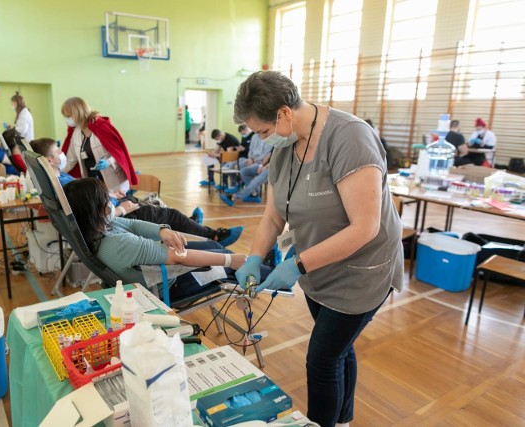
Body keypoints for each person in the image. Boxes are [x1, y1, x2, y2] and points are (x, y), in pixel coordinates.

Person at [232, 71, 403, 426]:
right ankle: (344, 420)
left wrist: (297, 265)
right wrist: (253, 257)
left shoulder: (349, 138)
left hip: (361, 271)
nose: (262, 141)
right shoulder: (285, 145)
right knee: (340, 350)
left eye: (263, 131)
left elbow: (365, 227)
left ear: (283, 113)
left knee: (322, 360)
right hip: (318, 267)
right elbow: (273, 216)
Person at [63, 178, 274, 294]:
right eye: (106, 200)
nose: (111, 202)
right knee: (229, 262)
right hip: (171, 284)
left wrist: (162, 230)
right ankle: (275, 277)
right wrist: (231, 260)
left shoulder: (98, 228)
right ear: (97, 210)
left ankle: (265, 267)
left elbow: (133, 224)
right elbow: (177, 257)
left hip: (159, 272)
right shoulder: (117, 244)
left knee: (214, 246)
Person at [31, 138, 244, 246]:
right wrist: (121, 210)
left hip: (111, 208)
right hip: (116, 217)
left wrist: (106, 197)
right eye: (57, 151)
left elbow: (85, 204)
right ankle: (213, 235)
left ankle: (190, 224)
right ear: (49, 160)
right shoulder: (60, 181)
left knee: (150, 205)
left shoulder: (55, 179)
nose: (62, 153)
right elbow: (90, 216)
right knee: (169, 215)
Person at [60, 97, 138, 194]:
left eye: (68, 116)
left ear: (78, 113)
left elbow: (119, 155)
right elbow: (71, 160)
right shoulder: (76, 132)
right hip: (93, 181)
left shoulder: (101, 127)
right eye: (65, 116)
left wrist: (108, 162)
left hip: (113, 182)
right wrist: (57, 172)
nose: (67, 119)